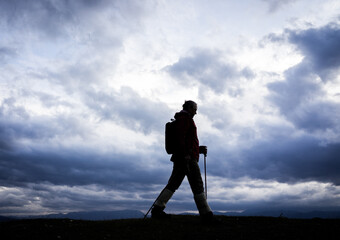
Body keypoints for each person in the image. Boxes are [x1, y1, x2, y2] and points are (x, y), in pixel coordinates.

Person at [151, 100, 214, 223]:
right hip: (187, 158)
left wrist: (198, 149)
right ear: (189, 108)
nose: (196, 111)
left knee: (173, 184)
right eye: (195, 109)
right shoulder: (185, 119)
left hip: (182, 157)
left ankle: (157, 210)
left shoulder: (182, 119)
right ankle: (206, 214)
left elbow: (185, 140)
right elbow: (181, 138)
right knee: (197, 184)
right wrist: (187, 154)